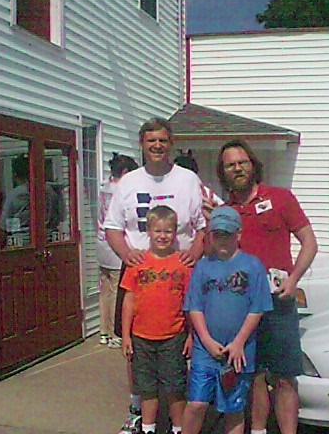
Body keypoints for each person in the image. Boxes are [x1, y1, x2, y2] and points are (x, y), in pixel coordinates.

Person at [104, 117, 206, 434]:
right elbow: (112, 229)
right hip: (140, 273)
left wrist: (196, 252)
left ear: (170, 143)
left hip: (180, 273)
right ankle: (138, 410)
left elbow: (202, 227)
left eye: (162, 140)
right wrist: (126, 255)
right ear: (142, 144)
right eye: (151, 141)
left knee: (181, 341)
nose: (157, 146)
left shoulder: (188, 179)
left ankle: (183, 414)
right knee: (136, 345)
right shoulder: (128, 182)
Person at [213, 139, 318, 434]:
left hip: (278, 302)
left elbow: (309, 242)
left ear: (253, 164)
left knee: (284, 378)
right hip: (242, 309)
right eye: (230, 165)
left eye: (242, 162)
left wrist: (294, 278)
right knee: (254, 376)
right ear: (223, 172)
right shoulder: (225, 213)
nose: (238, 168)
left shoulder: (281, 198)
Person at [182, 206, 272, 434]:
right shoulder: (202, 266)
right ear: (210, 235)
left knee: (233, 408)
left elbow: (257, 307)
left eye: (228, 234)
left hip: (238, 351)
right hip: (206, 348)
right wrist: (206, 341)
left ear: (238, 234)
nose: (222, 239)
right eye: (217, 234)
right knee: (196, 404)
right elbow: (195, 307)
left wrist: (240, 341)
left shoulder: (253, 266)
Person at [120, 205, 192, 434]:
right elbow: (128, 301)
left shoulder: (182, 265)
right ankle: (148, 428)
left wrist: (191, 335)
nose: (163, 236)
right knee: (147, 387)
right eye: (158, 231)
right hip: (141, 337)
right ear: (148, 231)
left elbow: (190, 305)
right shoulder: (136, 264)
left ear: (175, 232)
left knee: (175, 387)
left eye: (168, 231)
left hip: (173, 337)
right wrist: (125, 336)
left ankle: (178, 428)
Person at [96, 153, 139, 348]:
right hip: (114, 245)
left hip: (100, 243)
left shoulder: (104, 188)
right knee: (117, 290)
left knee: (104, 290)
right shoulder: (120, 190)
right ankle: (115, 332)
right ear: (125, 172)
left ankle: (103, 331)